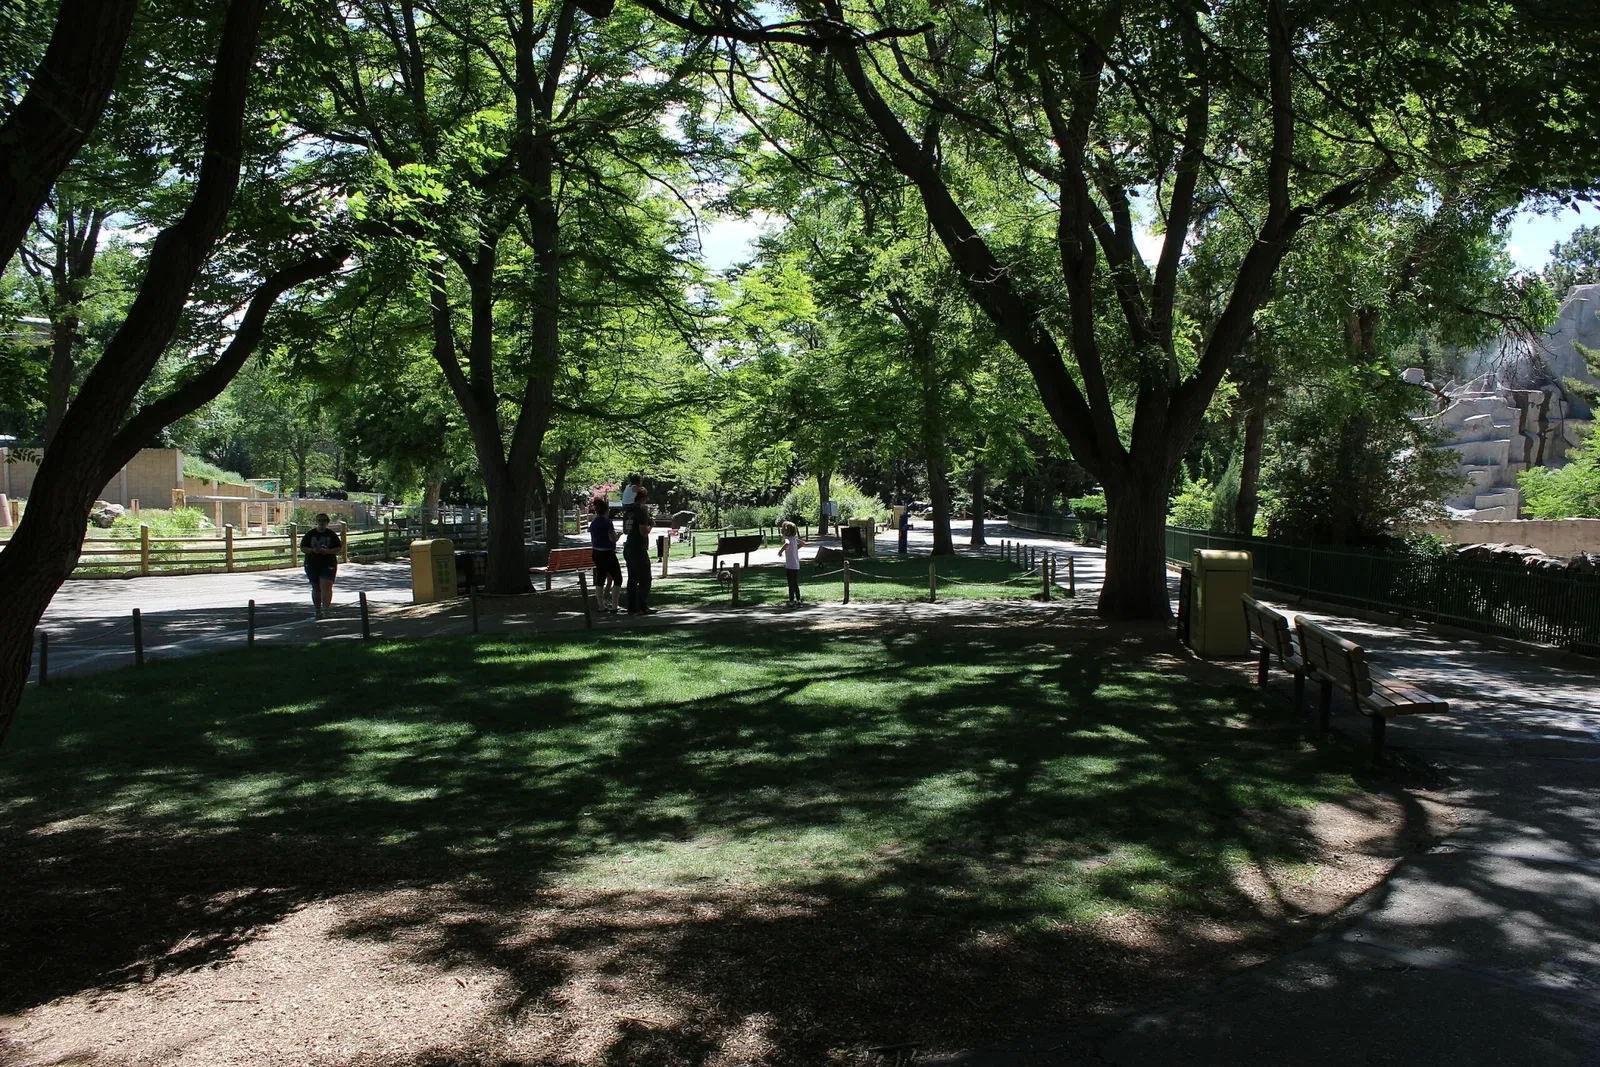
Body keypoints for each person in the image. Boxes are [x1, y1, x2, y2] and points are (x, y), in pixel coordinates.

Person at [300, 513, 342, 618]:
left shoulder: (331, 535)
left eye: (324, 520)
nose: (322, 522)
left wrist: (328, 551)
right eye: (319, 520)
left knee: (326, 586)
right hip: (312, 563)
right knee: (316, 587)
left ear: (327, 522)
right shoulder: (310, 534)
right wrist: (312, 550)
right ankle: (318, 611)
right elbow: (303, 548)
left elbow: (338, 548)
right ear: (316, 521)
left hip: (328, 563)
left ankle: (326, 611)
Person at [622, 485, 655, 615]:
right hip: (638, 548)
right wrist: (651, 525)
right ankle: (642, 607)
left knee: (632, 578)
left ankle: (631, 607)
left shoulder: (628, 512)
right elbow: (643, 532)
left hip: (629, 547)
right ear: (643, 498)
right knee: (645, 579)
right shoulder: (641, 511)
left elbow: (625, 530)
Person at [589, 498, 623, 614]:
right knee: (618, 578)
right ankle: (614, 605)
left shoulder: (593, 523)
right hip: (608, 553)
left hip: (596, 553)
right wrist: (618, 536)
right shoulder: (607, 522)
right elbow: (612, 538)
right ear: (606, 511)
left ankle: (601, 606)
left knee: (600, 579)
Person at [780, 521, 807, 603]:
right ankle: (798, 599)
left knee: (790, 584)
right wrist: (795, 548)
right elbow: (802, 543)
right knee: (795, 583)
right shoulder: (795, 539)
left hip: (789, 566)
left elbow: (787, 543)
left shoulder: (787, 539)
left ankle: (791, 600)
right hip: (796, 565)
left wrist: (781, 551)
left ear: (787, 531)